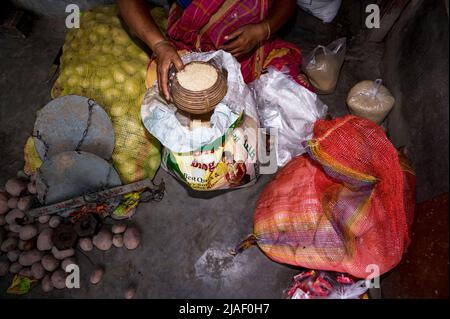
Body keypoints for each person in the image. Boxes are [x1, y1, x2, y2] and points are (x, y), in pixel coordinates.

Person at [118, 0, 311, 101]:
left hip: (254, 45)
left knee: (292, 100)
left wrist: (263, 30)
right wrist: (159, 45)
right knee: (171, 91)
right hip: (193, 41)